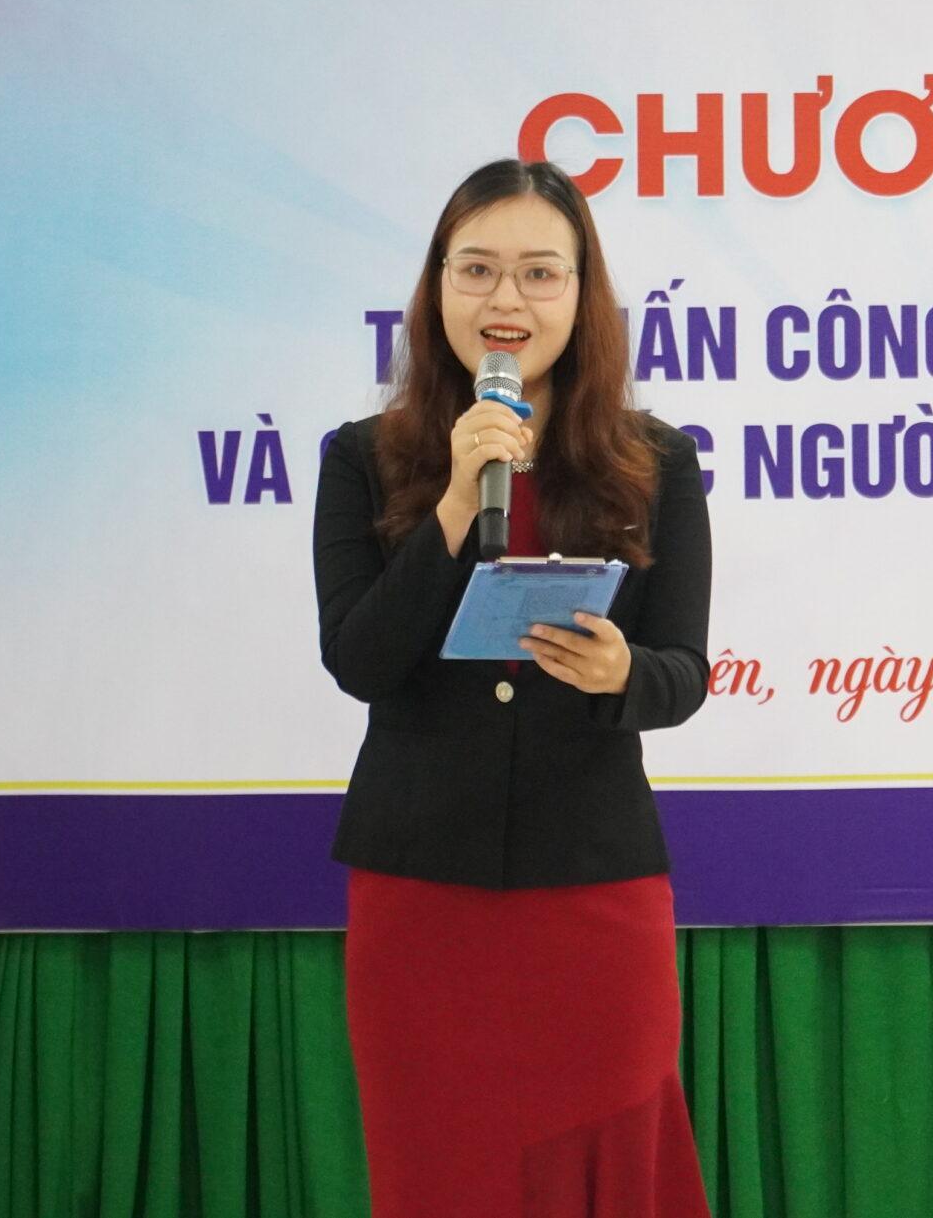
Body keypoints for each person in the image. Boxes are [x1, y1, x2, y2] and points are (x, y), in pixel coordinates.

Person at [312, 158, 713, 1217]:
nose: (506, 299)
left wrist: (624, 672)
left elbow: (683, 670)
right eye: (477, 269)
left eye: (540, 272)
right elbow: (358, 658)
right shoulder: (362, 458)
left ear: (582, 295)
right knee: (441, 1171)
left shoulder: (654, 461)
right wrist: (455, 501)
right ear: (436, 284)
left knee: (612, 1166)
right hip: (421, 897)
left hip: (594, 892)